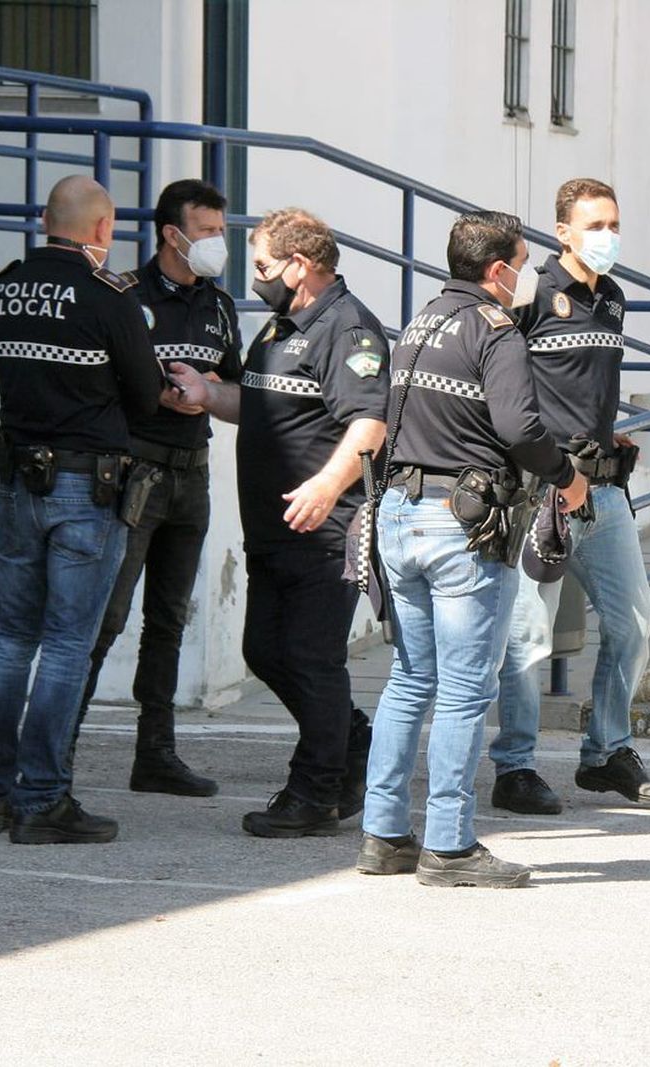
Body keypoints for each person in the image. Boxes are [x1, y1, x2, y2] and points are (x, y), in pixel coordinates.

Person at [357, 210, 588, 887]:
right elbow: (519, 425)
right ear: (497, 270)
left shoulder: (421, 321)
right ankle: (450, 845)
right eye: (519, 263)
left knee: (408, 678)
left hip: (400, 511)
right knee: (463, 690)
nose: (523, 277)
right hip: (461, 523)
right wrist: (568, 476)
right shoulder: (496, 333)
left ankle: (384, 833)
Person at [168, 208, 387, 838]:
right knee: (263, 650)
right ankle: (349, 738)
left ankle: (315, 793)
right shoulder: (279, 326)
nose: (256, 276)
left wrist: (326, 485)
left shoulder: (348, 330)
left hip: (326, 530)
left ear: (302, 265)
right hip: (271, 526)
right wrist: (207, 395)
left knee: (311, 659)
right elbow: (262, 402)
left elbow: (368, 424)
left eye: (264, 265)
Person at [0, 175, 162, 844]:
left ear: (46, 220)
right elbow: (146, 396)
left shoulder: (6, 287)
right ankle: (42, 798)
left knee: (10, 635)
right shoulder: (108, 300)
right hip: (87, 487)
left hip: (17, 481)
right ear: (102, 230)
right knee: (66, 642)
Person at [489, 178, 650, 815]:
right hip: (540, 489)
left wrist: (602, 428)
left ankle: (605, 754)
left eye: (613, 224)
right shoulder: (530, 292)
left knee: (633, 624)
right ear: (562, 232)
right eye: (593, 226)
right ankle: (514, 766)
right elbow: (498, 383)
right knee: (528, 635)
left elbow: (582, 383)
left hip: (602, 487)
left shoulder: (614, 297)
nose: (607, 237)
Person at [73, 179, 240, 798]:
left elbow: (238, 388)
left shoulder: (220, 306)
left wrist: (210, 395)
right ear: (172, 234)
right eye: (207, 231)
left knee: (168, 620)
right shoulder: (123, 296)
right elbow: (98, 384)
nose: (218, 243)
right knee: (104, 617)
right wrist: (155, 393)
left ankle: (156, 754)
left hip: (191, 474)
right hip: (132, 474)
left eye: (221, 231)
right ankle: (56, 750)